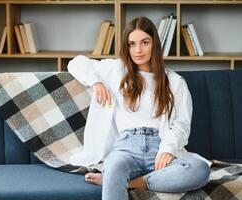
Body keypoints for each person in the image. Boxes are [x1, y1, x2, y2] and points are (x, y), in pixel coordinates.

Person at [67, 16, 211, 200]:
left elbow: (182, 124)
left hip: (160, 148)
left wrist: (167, 148)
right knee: (114, 167)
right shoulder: (116, 70)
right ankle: (114, 177)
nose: (138, 50)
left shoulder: (175, 82)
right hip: (126, 148)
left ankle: (135, 182)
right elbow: (76, 63)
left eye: (144, 42)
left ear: (154, 44)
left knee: (200, 170)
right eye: (131, 44)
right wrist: (95, 82)